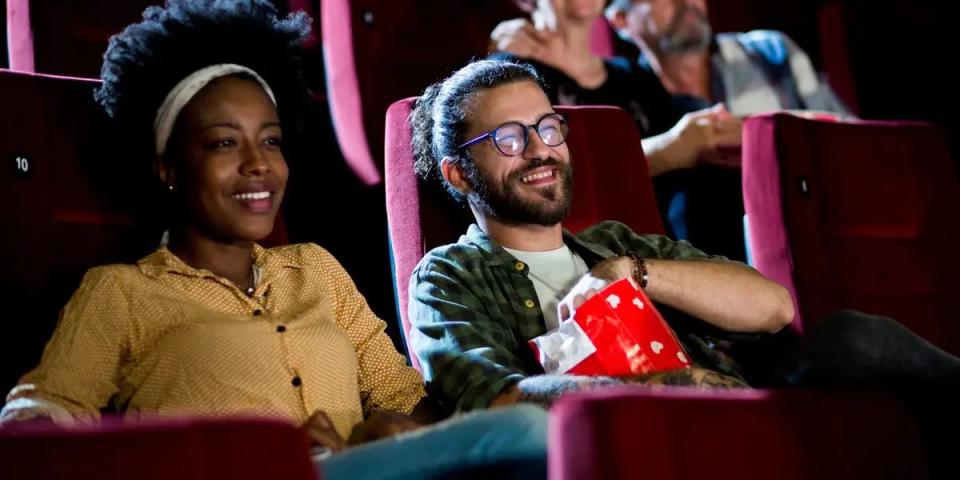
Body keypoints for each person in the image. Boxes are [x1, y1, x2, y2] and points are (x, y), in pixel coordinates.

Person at [0, 3, 547, 479]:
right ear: (169, 167)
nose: (258, 164)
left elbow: (408, 403)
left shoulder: (315, 269)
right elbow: (36, 422)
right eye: (223, 143)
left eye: (271, 141)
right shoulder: (121, 293)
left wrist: (387, 428)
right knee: (531, 431)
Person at [407, 58, 960, 415]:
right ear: (458, 172)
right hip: (633, 446)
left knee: (851, 339)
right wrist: (666, 388)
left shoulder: (616, 240)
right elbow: (495, 400)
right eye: (508, 138)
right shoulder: (449, 275)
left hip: (750, 416)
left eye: (548, 127)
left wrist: (634, 273)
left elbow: (771, 306)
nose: (539, 150)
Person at [488, 0, 746, 260]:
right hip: (581, 255)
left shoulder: (636, 77)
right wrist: (666, 149)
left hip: (662, 248)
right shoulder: (513, 78)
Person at [605, 0, 853, 117]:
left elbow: (850, 139)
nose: (686, 2)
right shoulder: (628, 103)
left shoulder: (772, 52)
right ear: (621, 21)